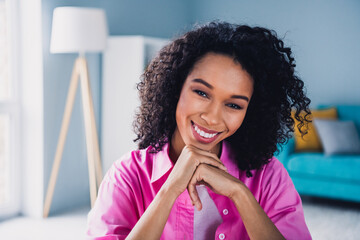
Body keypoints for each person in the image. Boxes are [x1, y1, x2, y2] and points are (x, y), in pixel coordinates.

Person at [86, 21, 312, 240]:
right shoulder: (126, 176)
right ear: (176, 87)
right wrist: (169, 190)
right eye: (202, 93)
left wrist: (240, 193)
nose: (212, 118)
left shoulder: (268, 176)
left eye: (234, 105)